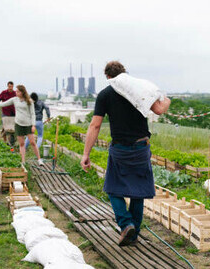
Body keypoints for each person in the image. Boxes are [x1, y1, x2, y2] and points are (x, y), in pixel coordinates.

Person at [80, 61, 171, 246]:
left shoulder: (105, 95)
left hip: (120, 149)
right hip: (141, 147)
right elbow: (160, 109)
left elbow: (95, 125)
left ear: (108, 77)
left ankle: (126, 224)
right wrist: (167, 99)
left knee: (113, 188)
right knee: (138, 192)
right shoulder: (139, 90)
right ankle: (134, 232)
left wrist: (85, 154)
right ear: (124, 73)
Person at [0, 85, 44, 166]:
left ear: (22, 92)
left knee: (33, 142)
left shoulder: (29, 101)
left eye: (18, 91)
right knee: (21, 144)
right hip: (18, 125)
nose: (16, 92)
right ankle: (23, 161)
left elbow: (33, 114)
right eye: (16, 91)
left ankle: (39, 159)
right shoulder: (14, 100)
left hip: (28, 125)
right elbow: (3, 104)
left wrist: (33, 125)